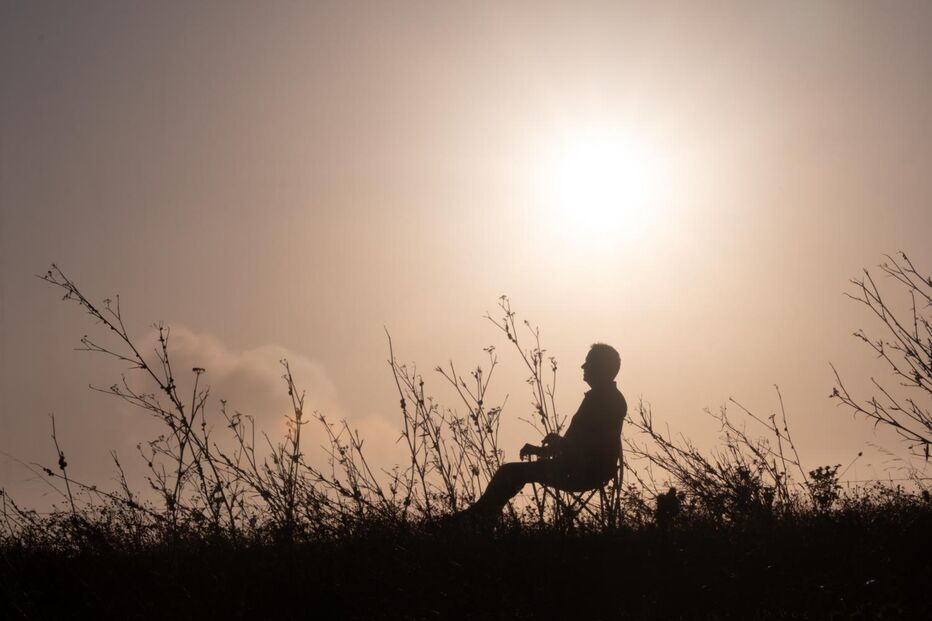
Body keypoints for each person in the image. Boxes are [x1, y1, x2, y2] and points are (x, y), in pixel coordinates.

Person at [461, 343, 627, 519]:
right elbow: (579, 445)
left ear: (601, 367)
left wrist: (557, 443)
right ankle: (481, 516)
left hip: (581, 471)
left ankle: (478, 517)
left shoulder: (602, 401)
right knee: (511, 472)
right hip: (586, 468)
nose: (583, 366)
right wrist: (543, 450)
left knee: (510, 472)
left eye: (589, 362)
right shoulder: (606, 398)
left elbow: (587, 445)